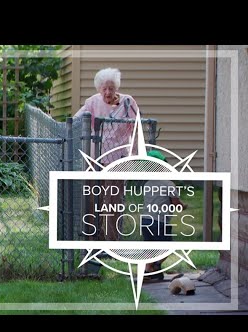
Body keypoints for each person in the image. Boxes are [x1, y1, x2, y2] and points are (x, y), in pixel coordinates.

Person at [75, 68, 140, 242]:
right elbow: (76, 120)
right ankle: (92, 239)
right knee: (91, 199)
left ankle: (112, 242)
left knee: (113, 202)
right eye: (104, 88)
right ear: (98, 88)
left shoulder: (128, 103)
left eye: (111, 88)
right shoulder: (92, 102)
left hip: (118, 160)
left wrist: (133, 155)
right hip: (94, 159)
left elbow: (136, 129)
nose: (108, 92)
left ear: (116, 87)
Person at [142, 150, 188, 280]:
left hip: (145, 221)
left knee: (150, 248)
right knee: (168, 247)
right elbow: (176, 203)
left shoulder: (147, 184)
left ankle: (149, 271)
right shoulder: (168, 184)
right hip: (160, 222)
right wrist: (183, 206)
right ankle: (154, 266)